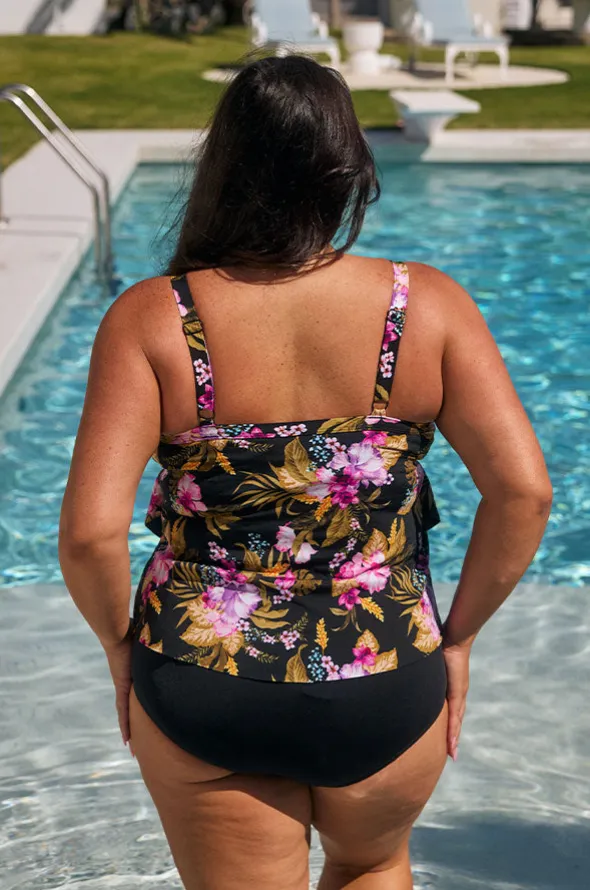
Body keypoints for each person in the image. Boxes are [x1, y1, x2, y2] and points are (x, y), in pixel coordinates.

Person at [58, 56, 552, 890]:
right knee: (371, 865)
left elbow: (89, 535)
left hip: (205, 675)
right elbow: (526, 493)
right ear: (349, 168)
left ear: (221, 165)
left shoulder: (155, 318)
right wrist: (460, 637)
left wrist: (118, 646)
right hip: (385, 670)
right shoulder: (424, 306)